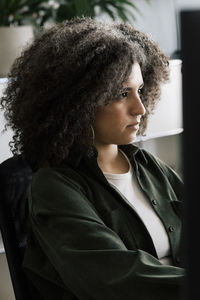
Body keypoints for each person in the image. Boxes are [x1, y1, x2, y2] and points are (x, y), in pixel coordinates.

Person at [0, 17, 184, 300]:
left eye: (140, 91)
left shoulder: (149, 167)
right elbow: (114, 279)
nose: (141, 108)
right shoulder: (54, 187)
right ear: (79, 102)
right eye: (123, 94)